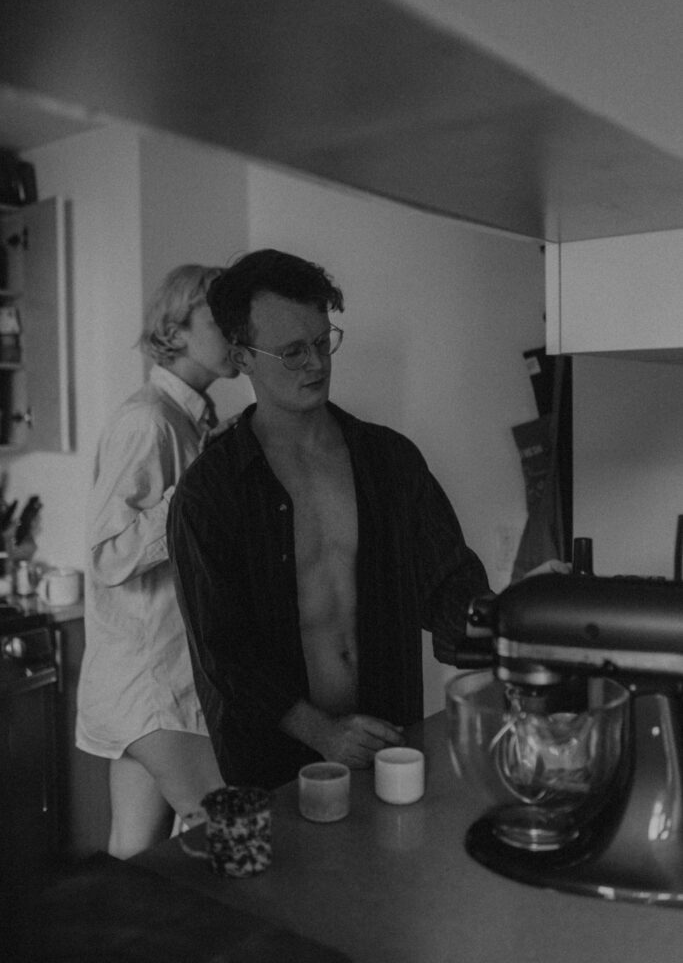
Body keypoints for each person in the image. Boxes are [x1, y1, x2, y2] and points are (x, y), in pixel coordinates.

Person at [168, 248, 512, 791]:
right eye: (292, 351)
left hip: (386, 742)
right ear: (241, 357)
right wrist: (323, 733)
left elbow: (447, 584)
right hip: (272, 763)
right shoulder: (211, 492)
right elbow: (222, 650)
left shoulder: (389, 461)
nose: (317, 363)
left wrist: (509, 611)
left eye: (323, 342)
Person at [76, 263, 239, 859]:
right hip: (150, 687)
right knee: (229, 832)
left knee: (133, 859)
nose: (235, 331)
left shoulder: (192, 422)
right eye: (220, 319)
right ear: (175, 329)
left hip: (160, 683)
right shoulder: (148, 420)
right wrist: (195, 490)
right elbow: (108, 555)